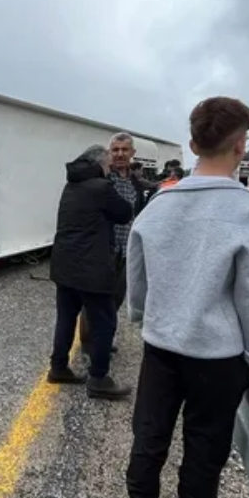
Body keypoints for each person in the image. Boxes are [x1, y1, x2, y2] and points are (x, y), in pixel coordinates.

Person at [124, 97, 249, 498]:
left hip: (161, 346)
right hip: (218, 357)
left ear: (194, 145)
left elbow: (136, 275)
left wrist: (142, 315)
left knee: (149, 437)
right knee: (205, 449)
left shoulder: (159, 205)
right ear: (241, 146)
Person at [47, 144, 134, 400]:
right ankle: (99, 378)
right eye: (107, 164)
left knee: (66, 318)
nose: (109, 168)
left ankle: (58, 367)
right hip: (92, 268)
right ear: (98, 164)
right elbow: (124, 213)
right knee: (105, 321)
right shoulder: (102, 187)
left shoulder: (70, 185)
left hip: (64, 265)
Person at [77, 132, 149, 356]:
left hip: (126, 251)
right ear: (109, 153)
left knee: (116, 298)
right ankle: (89, 342)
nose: (119, 154)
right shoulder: (103, 178)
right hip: (103, 249)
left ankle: (104, 336)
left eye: (124, 149)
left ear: (132, 153)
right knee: (94, 299)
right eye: (115, 150)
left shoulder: (137, 184)